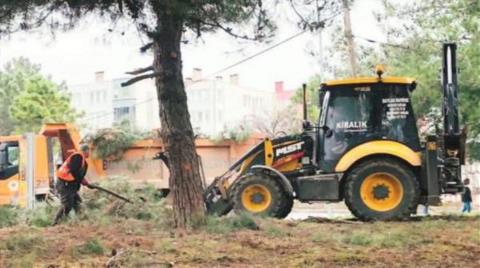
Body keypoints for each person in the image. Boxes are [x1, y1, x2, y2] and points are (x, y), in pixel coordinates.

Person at [53, 144, 92, 225]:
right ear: (85, 151)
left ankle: (83, 223)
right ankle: (57, 223)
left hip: (70, 185)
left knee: (78, 203)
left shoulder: (84, 163)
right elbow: (74, 171)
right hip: (64, 184)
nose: (90, 153)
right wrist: (82, 180)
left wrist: (84, 181)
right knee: (67, 204)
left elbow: (79, 176)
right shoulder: (78, 156)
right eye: (89, 151)